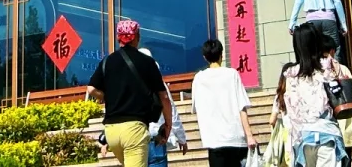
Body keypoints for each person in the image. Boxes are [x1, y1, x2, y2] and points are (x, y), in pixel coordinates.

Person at [89, 19, 174, 167]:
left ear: (118, 38)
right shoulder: (147, 62)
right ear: (137, 37)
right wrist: (168, 124)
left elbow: (91, 89)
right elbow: (164, 96)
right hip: (134, 129)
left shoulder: (107, 61)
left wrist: (108, 97)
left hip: (112, 131)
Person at [272, 23, 347, 167]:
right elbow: (341, 90)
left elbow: (291, 112)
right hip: (327, 132)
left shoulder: (291, 74)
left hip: (303, 137)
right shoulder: (327, 66)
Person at [191, 37, 258, 167]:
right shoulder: (232, 74)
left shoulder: (199, 78)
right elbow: (242, 107)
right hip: (235, 139)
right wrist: (249, 135)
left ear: (205, 57)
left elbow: (195, 108)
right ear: (221, 54)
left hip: (214, 140)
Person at [139, 49, 188, 164]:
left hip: (135, 141)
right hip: (156, 139)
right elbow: (171, 111)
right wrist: (181, 138)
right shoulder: (159, 84)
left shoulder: (128, 85)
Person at [321, 44, 352, 165]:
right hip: (345, 129)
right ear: (332, 51)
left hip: (326, 131)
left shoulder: (316, 72)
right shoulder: (343, 70)